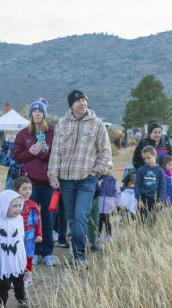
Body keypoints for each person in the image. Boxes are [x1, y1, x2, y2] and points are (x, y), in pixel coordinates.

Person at [47, 89, 113, 264]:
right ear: (71, 105)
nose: (82, 103)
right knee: (72, 218)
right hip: (66, 180)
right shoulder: (62, 123)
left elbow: (105, 151)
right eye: (78, 101)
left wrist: (96, 171)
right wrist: (53, 175)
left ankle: (81, 258)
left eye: (84, 100)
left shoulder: (97, 124)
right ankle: (77, 256)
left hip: (87, 180)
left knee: (80, 216)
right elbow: (56, 152)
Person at [14, 98, 59, 266]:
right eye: (34, 111)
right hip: (29, 184)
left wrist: (42, 152)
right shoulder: (23, 134)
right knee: (29, 218)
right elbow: (17, 156)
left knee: (47, 218)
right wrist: (31, 152)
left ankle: (47, 252)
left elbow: (56, 154)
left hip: (47, 182)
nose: (37, 114)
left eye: (40, 111)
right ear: (31, 114)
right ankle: (31, 252)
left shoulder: (53, 132)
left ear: (44, 114)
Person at [0, 190, 29, 308]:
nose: (18, 209)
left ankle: (21, 299)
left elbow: (20, 239)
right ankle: (1, 305)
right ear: (5, 206)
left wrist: (22, 256)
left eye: (20, 205)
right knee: (4, 284)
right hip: (4, 260)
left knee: (19, 281)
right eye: (14, 206)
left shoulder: (19, 220)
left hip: (16, 259)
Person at [11, 177, 42, 287]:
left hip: (29, 235)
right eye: (24, 189)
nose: (28, 191)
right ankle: (14, 276)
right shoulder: (12, 204)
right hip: (15, 235)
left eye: (30, 188)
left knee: (28, 255)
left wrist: (38, 234)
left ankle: (27, 277)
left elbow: (38, 220)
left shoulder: (33, 205)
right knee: (14, 254)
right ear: (17, 190)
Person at [135, 146, 165, 222]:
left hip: (155, 201)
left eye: (148, 158)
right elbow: (137, 186)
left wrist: (159, 200)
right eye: (144, 159)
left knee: (154, 222)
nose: (146, 161)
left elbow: (162, 187)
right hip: (143, 201)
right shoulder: (141, 170)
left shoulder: (160, 171)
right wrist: (139, 199)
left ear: (155, 156)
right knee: (142, 222)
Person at [97, 173, 121, 243]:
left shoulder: (113, 180)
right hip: (99, 204)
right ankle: (97, 236)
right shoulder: (98, 179)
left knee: (107, 221)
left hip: (109, 204)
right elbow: (96, 189)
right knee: (99, 221)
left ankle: (109, 236)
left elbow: (117, 192)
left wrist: (116, 203)